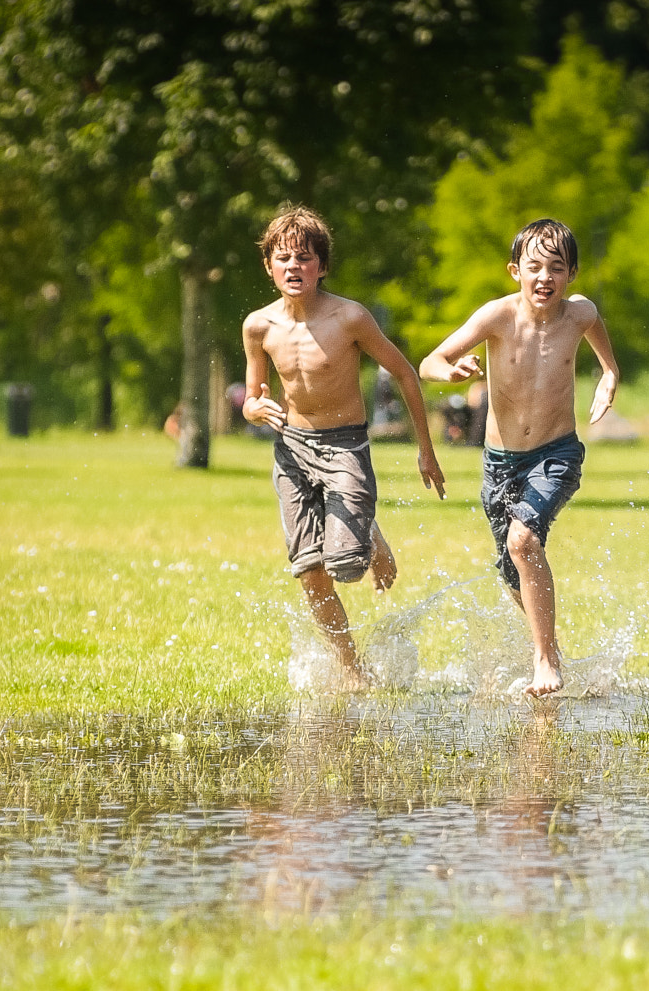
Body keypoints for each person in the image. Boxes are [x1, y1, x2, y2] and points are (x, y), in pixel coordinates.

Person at [241, 205, 446, 691]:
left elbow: (403, 372)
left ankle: (366, 533)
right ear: (270, 266)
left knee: (345, 566)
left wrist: (426, 450)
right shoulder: (258, 327)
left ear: (322, 267)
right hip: (291, 451)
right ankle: (352, 671)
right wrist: (251, 409)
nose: (294, 267)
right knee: (309, 572)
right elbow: (253, 394)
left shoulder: (350, 317)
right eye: (284, 258)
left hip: (345, 448)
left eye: (305, 258)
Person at [420, 217, 621, 698]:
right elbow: (430, 362)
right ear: (515, 271)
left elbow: (602, 347)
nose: (544, 277)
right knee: (513, 567)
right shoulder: (496, 316)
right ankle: (549, 649)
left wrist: (609, 375)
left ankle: (544, 660)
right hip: (500, 463)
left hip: (557, 453)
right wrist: (452, 373)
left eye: (556, 267)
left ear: (571, 274)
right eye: (534, 266)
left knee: (523, 540)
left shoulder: (581, 314)